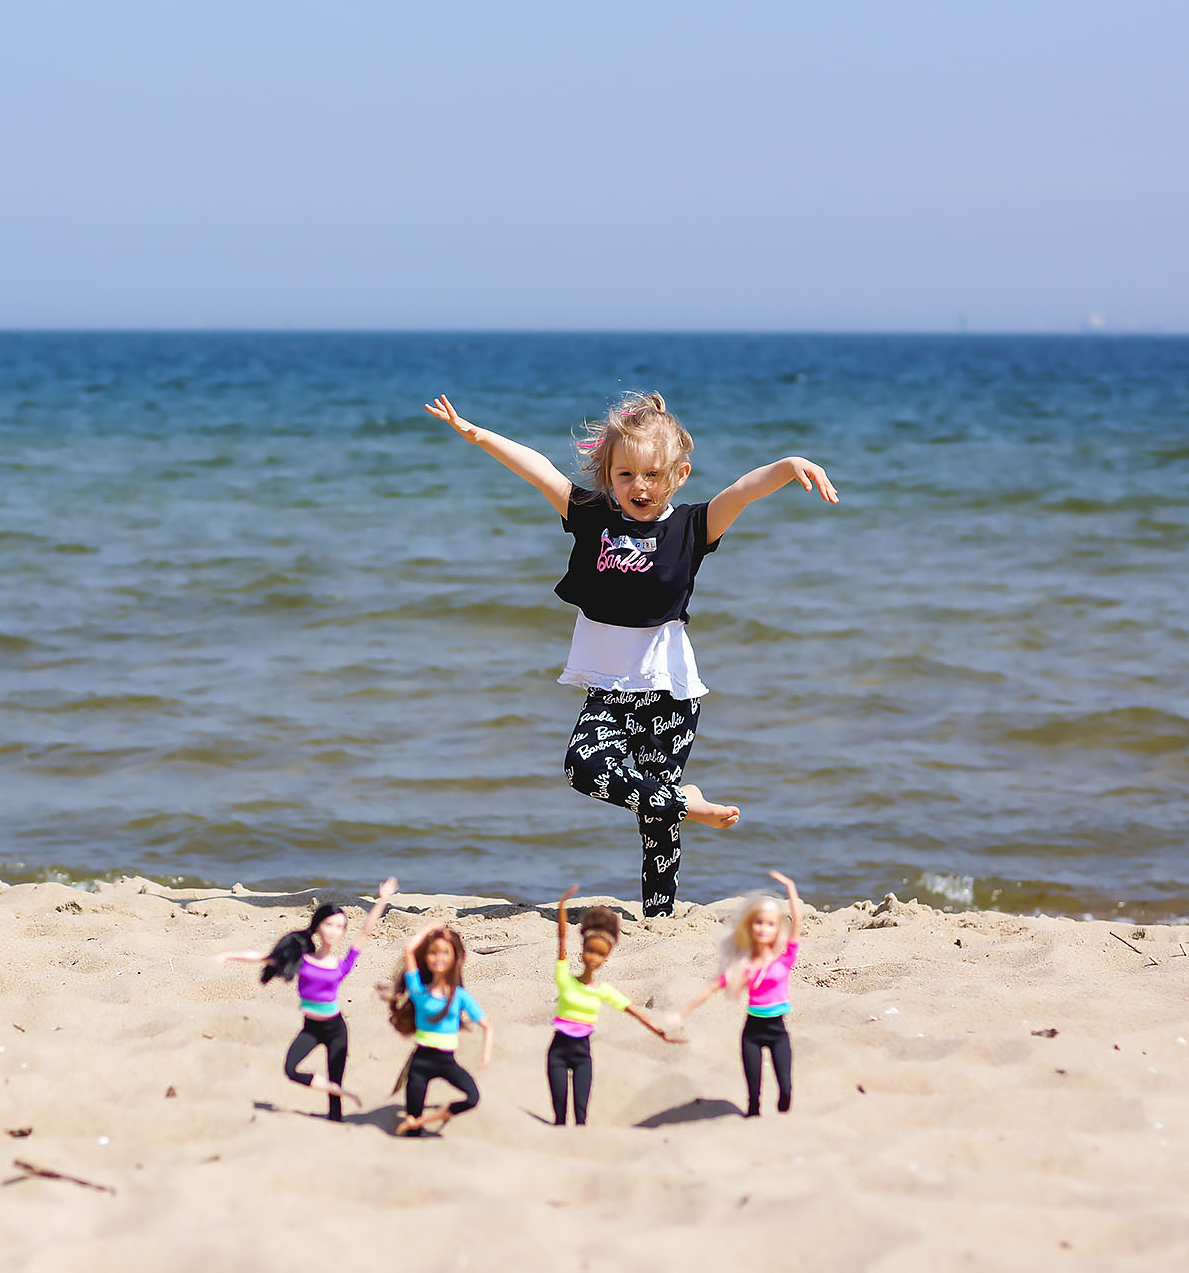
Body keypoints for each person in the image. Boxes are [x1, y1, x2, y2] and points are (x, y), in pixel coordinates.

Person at [426, 391, 839, 917]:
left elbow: (740, 493)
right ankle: (687, 802)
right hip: (610, 689)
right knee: (582, 767)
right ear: (609, 474)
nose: (637, 487)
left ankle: (659, 916)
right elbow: (540, 472)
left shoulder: (692, 527)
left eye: (650, 475)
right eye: (624, 475)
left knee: (654, 820)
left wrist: (787, 466)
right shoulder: (592, 515)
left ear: (677, 474)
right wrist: (477, 434)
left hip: (669, 691)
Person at [217, 878, 398, 1121]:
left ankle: (336, 1112)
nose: (334, 931)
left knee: (335, 1094)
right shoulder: (301, 959)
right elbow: (263, 957)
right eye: (329, 924)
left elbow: (366, 929)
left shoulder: (341, 965)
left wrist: (383, 898)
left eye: (340, 926)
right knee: (291, 1069)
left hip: (335, 1029)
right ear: (318, 925)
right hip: (311, 1029)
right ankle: (339, 1090)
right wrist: (227, 955)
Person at [546, 885, 684, 1126]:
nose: (592, 957)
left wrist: (660, 1032)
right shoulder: (565, 980)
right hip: (557, 1051)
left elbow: (633, 1011)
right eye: (589, 950)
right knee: (559, 1114)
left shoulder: (603, 990)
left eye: (599, 954)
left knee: (581, 1115)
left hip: (582, 1055)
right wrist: (561, 908)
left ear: (606, 957)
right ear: (583, 949)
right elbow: (561, 945)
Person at [679, 870, 802, 1117]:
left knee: (786, 1089)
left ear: (777, 929)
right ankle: (754, 1118)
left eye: (770, 924)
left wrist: (790, 887)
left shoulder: (785, 959)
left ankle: (782, 1107)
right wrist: (683, 1012)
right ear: (750, 926)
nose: (763, 929)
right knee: (753, 1097)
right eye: (758, 922)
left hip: (778, 1032)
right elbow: (713, 987)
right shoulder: (744, 965)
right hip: (752, 1032)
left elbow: (797, 922)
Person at [385, 921, 493, 1136]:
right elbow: (409, 950)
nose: (439, 958)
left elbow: (486, 1025)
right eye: (433, 952)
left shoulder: (459, 995)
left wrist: (486, 1057)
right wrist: (430, 928)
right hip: (420, 1063)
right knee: (412, 1127)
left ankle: (422, 1121)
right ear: (425, 957)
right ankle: (415, 1125)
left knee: (472, 1098)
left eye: (445, 952)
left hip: (446, 1061)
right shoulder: (418, 990)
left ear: (456, 958)